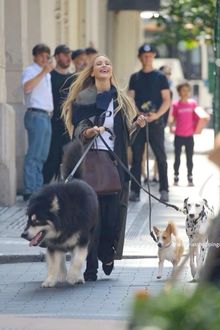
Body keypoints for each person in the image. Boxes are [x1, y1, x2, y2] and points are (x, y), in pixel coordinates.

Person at [62, 54, 146, 281]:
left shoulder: (120, 99)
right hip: (89, 163)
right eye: (99, 63)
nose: (104, 65)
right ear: (92, 72)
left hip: (114, 164)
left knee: (111, 218)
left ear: (111, 71)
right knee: (91, 219)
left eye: (107, 63)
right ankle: (90, 268)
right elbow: (79, 128)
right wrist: (90, 131)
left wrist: (136, 125)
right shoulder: (84, 98)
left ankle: (106, 254)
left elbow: (125, 135)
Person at [128, 43, 171, 202]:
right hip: (139, 123)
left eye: (150, 54)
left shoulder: (160, 77)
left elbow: (167, 100)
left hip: (155, 123)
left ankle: (164, 189)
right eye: (144, 55)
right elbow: (130, 98)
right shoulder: (135, 77)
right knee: (137, 158)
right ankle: (135, 191)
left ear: (153, 56)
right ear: (140, 57)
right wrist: (137, 113)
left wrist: (157, 115)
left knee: (161, 157)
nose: (147, 57)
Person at [22, 43, 54, 201]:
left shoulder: (47, 74)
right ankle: (29, 188)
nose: (44, 58)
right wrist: (43, 72)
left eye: (47, 55)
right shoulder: (31, 70)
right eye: (41, 55)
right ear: (35, 56)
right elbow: (27, 87)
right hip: (36, 114)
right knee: (34, 153)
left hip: (46, 116)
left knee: (42, 155)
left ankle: (37, 188)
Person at [43, 44, 73, 183]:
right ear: (56, 56)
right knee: (51, 159)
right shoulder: (49, 76)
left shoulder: (73, 78)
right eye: (64, 54)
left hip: (69, 125)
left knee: (69, 160)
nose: (68, 57)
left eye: (69, 54)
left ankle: (67, 193)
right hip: (52, 123)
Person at [168, 81, 198, 186]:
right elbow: (173, 117)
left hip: (189, 136)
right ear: (179, 92)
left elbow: (197, 118)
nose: (185, 92)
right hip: (179, 135)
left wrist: (198, 128)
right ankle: (176, 176)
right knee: (177, 158)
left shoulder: (193, 104)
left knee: (190, 158)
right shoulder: (176, 104)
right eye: (182, 90)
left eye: (187, 90)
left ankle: (190, 177)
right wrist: (170, 127)